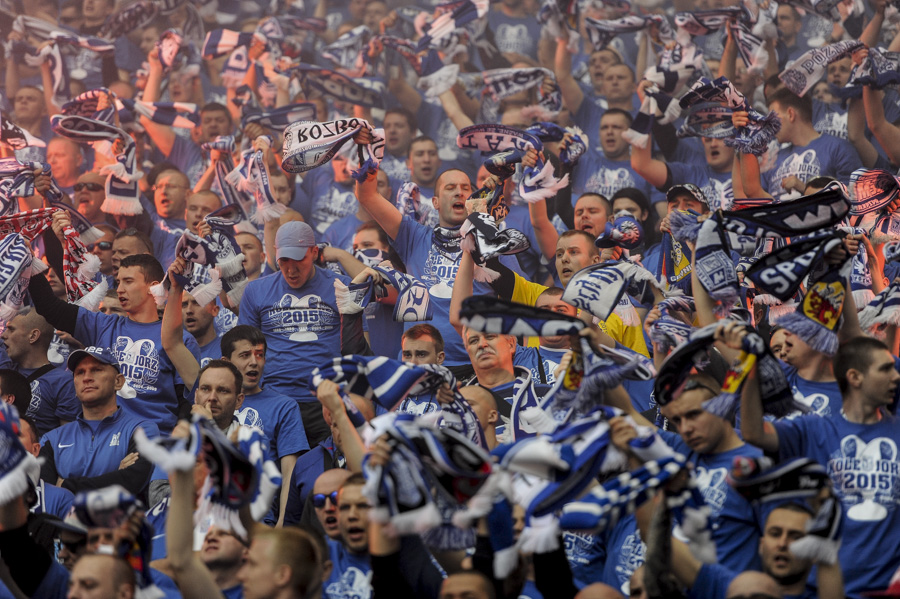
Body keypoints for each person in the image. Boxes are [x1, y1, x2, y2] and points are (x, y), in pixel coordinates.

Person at [740, 331, 900, 596]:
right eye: (886, 369)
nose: (896, 376)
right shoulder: (814, 428)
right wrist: (750, 369)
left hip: (888, 589)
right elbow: (753, 432)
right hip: (821, 586)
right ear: (855, 377)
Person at [30, 223, 200, 436]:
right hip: (104, 436)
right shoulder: (102, 325)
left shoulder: (180, 340)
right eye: (118, 281)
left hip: (154, 440)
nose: (119, 289)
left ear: (153, 286)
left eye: (128, 282)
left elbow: (186, 402)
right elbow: (49, 307)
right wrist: (29, 259)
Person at [237, 220, 353, 447]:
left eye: (299, 259)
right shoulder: (256, 290)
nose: (290, 269)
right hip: (275, 398)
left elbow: (358, 346)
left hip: (326, 399)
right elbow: (243, 350)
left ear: (314, 252)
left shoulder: (341, 287)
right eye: (284, 261)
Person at [38, 346, 159, 496]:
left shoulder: (142, 429)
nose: (87, 377)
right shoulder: (52, 439)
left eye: (96, 370)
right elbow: (44, 494)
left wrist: (65, 485)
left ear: (118, 381)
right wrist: (115, 475)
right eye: (80, 372)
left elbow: (131, 481)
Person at [221, 325, 308, 525]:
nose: (254, 362)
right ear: (226, 362)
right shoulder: (211, 399)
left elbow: (289, 474)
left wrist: (282, 524)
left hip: (258, 522)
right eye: (244, 355)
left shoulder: (284, 406)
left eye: (259, 355)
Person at [1, 307, 78, 437]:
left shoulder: (64, 383)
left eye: (11, 329)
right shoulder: (5, 373)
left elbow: (67, 440)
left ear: (33, 336)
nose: (3, 335)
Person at [324, 473, 373, 599]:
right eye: (345, 507)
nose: (352, 515)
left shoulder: (407, 562)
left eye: (363, 506)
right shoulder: (320, 554)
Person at [183, 292, 221, 367]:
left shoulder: (228, 349)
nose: (189, 310)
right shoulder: (173, 353)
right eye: (184, 305)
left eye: (197, 303)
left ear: (214, 310)